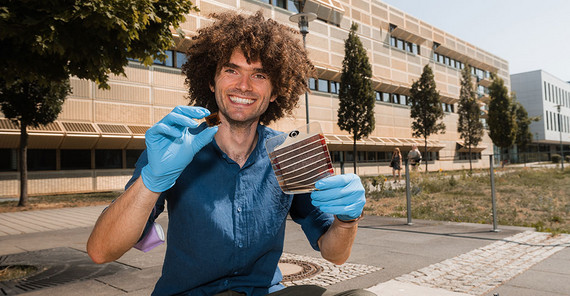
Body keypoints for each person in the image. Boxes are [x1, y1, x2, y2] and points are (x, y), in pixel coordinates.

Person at [87, 11, 374, 296]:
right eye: (231, 70)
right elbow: (101, 251)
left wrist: (346, 220)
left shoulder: (290, 152)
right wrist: (152, 180)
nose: (243, 86)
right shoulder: (173, 147)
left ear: (275, 91)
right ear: (212, 81)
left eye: (259, 75)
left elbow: (334, 253)